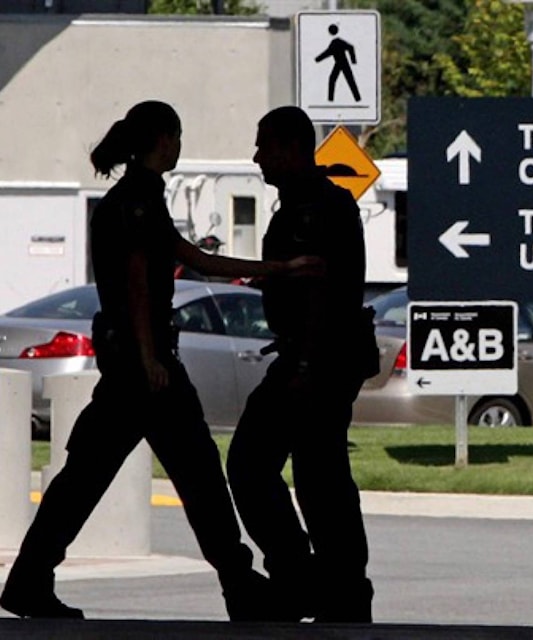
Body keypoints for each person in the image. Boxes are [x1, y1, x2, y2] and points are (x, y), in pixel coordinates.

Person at [0, 100, 316, 621]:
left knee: (87, 478)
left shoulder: (134, 199)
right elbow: (138, 282)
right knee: (197, 477)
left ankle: (30, 578)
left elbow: (196, 259)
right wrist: (150, 358)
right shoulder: (138, 201)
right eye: (178, 137)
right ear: (163, 140)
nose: (180, 146)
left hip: (132, 366)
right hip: (146, 370)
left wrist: (279, 267)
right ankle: (239, 586)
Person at [226, 106, 378, 624]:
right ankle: (320, 582)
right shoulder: (300, 203)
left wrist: (306, 366)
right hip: (309, 357)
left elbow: (321, 292)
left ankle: (327, 584)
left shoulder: (317, 208)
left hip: (319, 359)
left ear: (291, 149)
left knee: (298, 473)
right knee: (306, 472)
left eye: (264, 146)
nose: (257, 157)